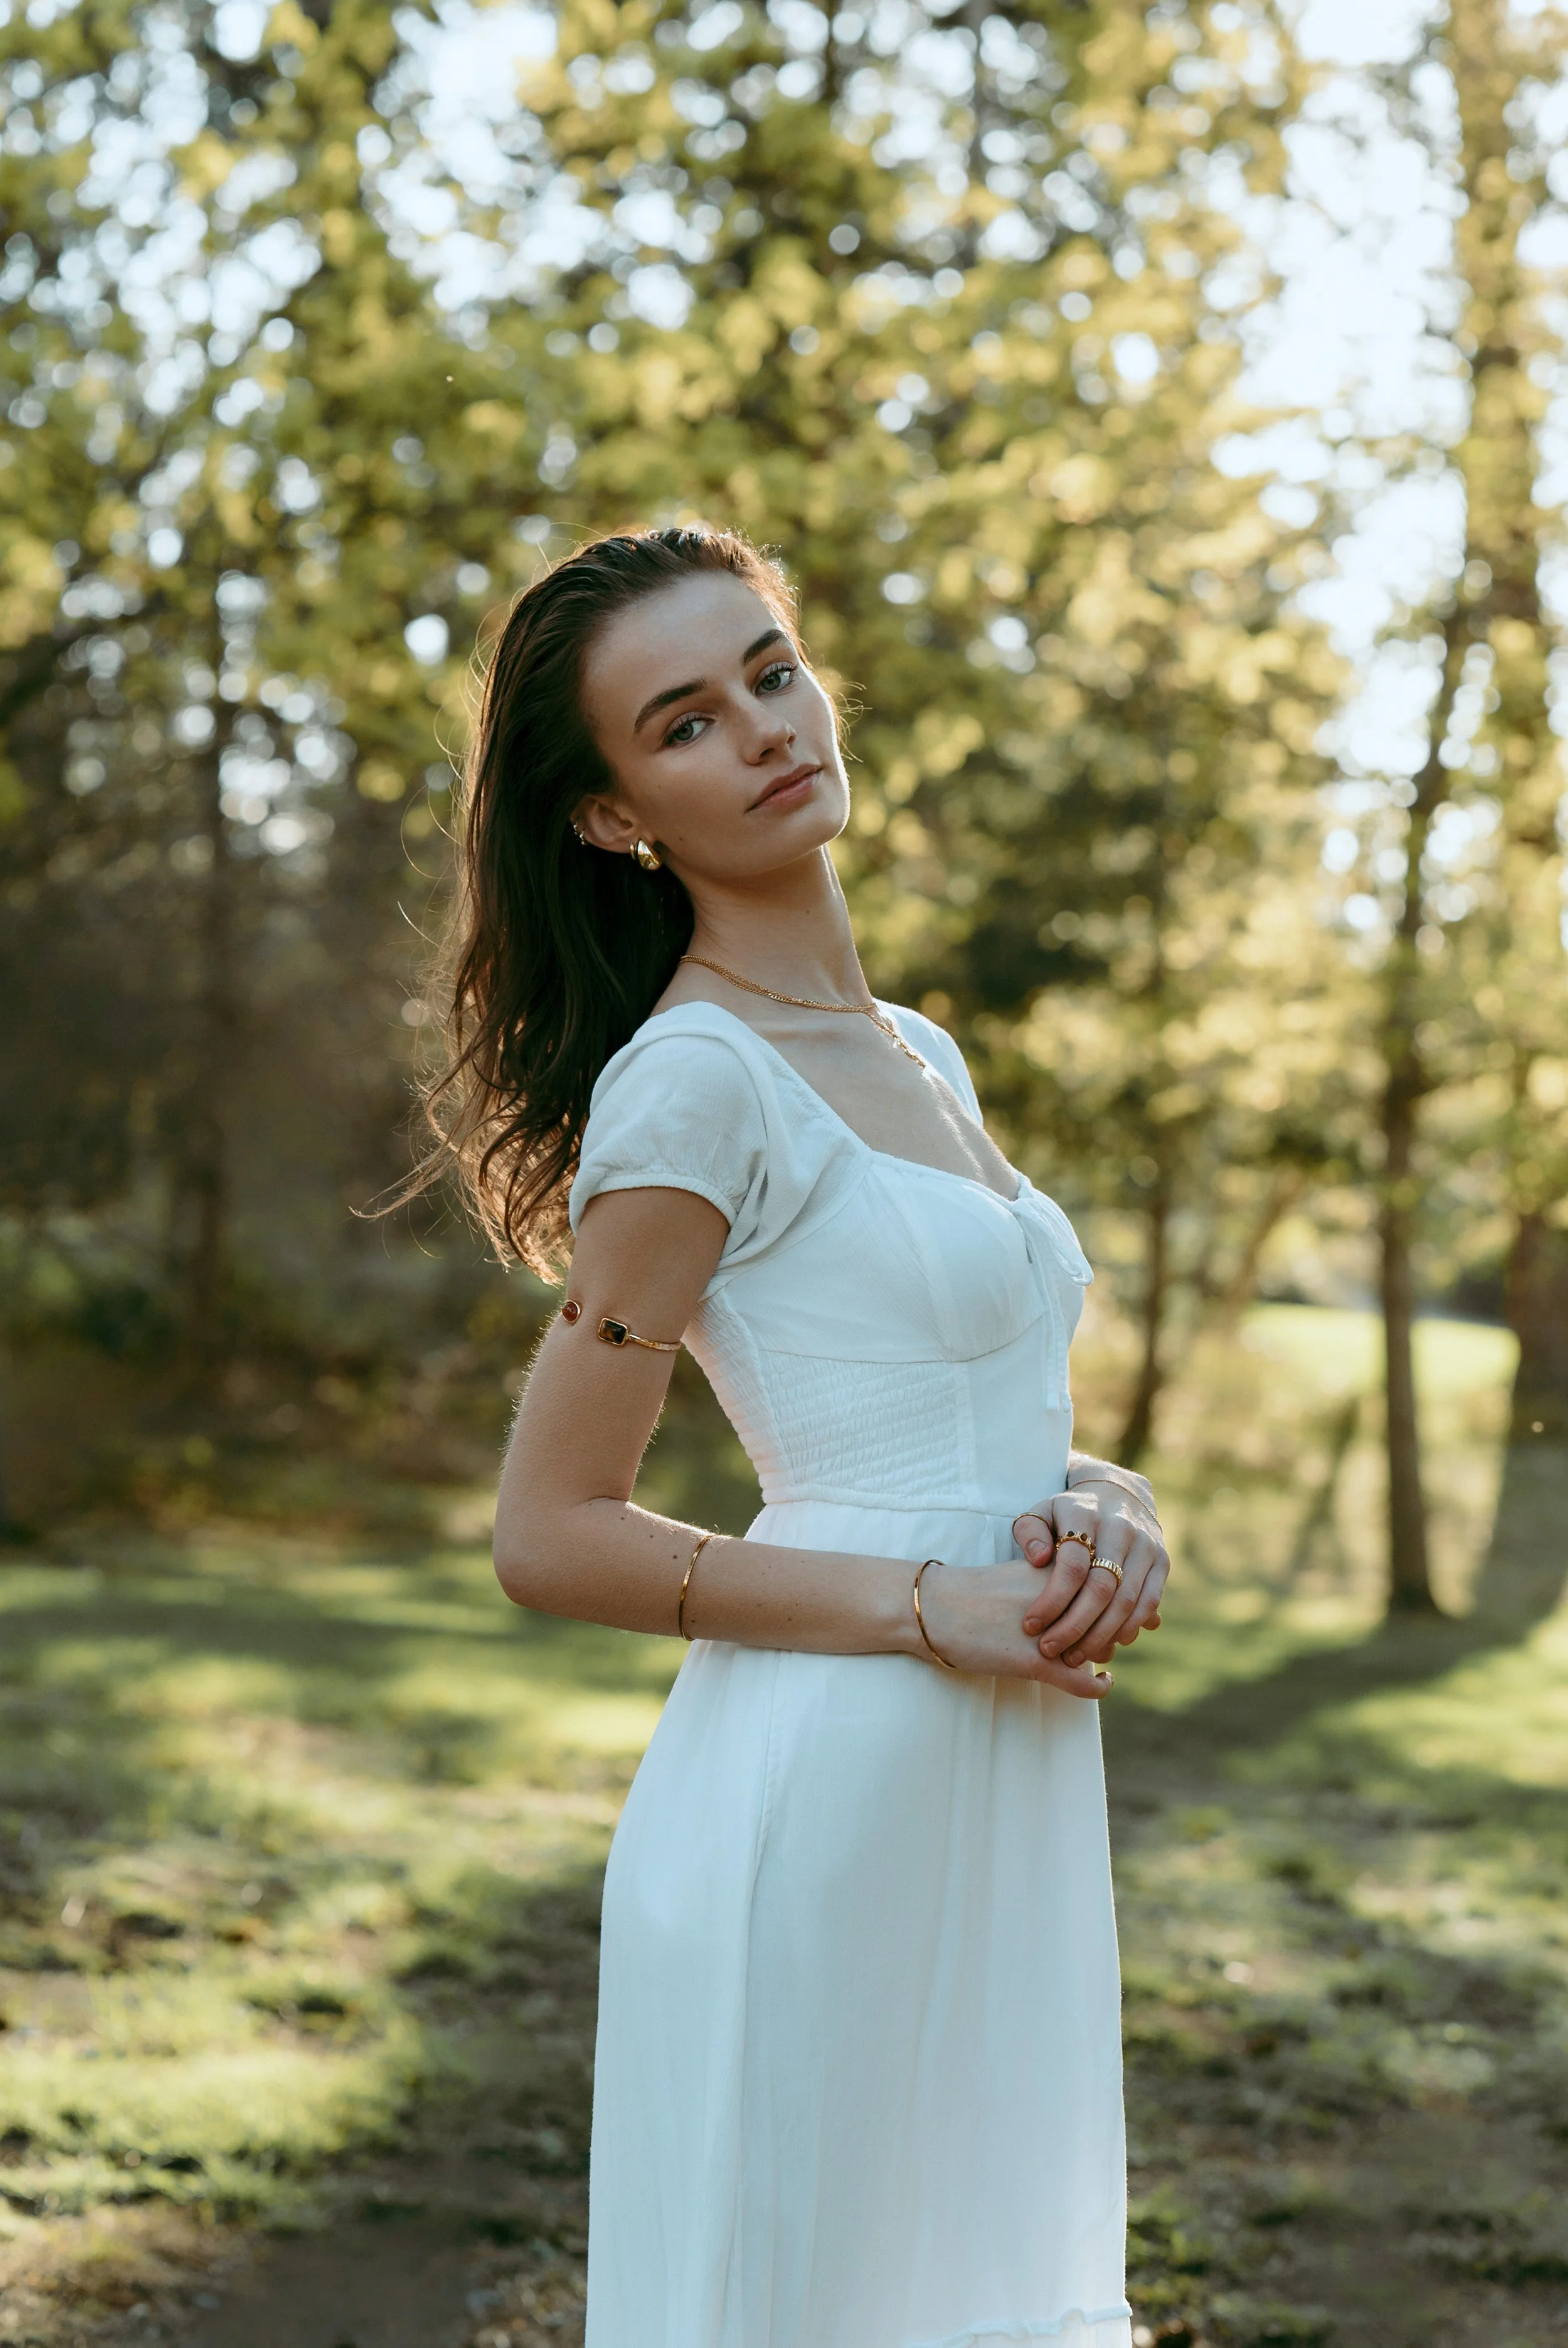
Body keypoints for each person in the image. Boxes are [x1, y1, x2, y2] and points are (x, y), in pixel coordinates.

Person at [412, 526, 1169, 2348]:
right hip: (825, 1780)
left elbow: (950, 1407)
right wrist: (929, 1600)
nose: (761, 727)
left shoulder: (914, 1050)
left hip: (998, 1772)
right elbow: (551, 1527)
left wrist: (1101, 1500)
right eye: (683, 720)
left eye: (769, 668)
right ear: (612, 817)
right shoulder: (691, 1080)